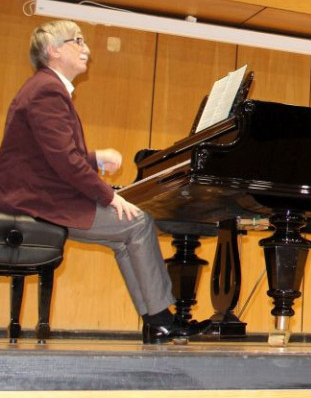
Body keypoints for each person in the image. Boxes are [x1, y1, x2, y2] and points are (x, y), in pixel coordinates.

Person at [0, 20, 205, 344]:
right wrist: (108, 195)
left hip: (39, 193)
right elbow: (64, 161)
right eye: (76, 41)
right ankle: (161, 319)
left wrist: (95, 158)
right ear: (52, 51)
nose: (87, 48)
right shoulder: (47, 91)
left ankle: (157, 321)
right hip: (38, 200)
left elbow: (50, 153)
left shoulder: (43, 88)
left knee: (126, 233)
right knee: (137, 224)